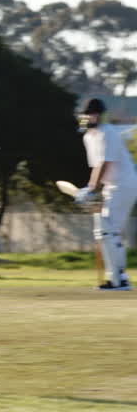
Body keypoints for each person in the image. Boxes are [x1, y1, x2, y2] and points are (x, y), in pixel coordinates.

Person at [76, 98, 137, 291]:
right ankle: (119, 278)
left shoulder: (108, 133)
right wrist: (95, 191)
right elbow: (96, 166)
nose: (89, 117)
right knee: (103, 232)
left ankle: (119, 280)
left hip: (125, 184)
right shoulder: (88, 137)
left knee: (110, 231)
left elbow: (105, 163)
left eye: (93, 114)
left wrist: (92, 188)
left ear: (99, 115)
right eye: (86, 114)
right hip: (111, 186)